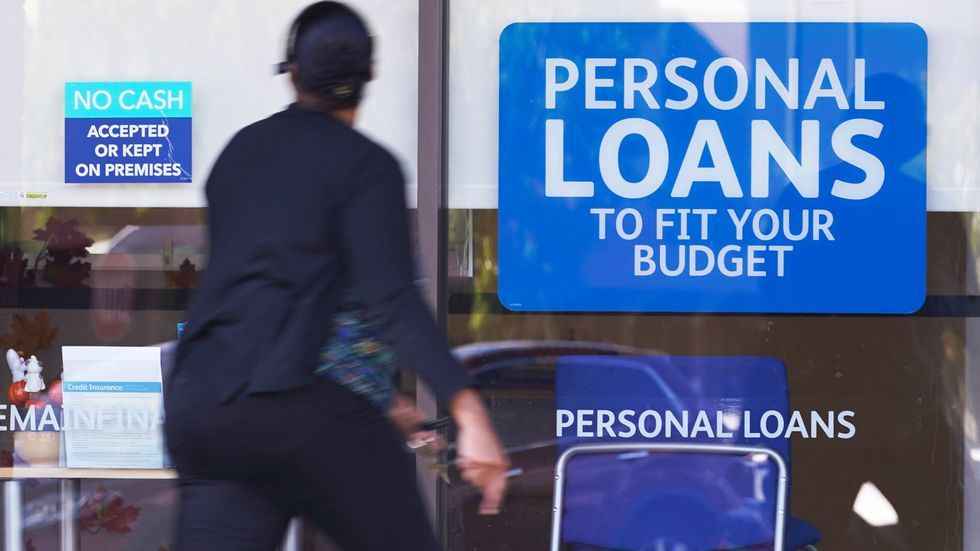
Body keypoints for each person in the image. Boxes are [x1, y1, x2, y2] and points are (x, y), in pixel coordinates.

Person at [163, 2, 509, 550]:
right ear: (368, 77)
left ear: (293, 73)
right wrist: (470, 415)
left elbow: (271, 297)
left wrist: (382, 402)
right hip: (293, 408)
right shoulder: (366, 166)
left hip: (204, 407)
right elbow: (392, 302)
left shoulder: (238, 154)